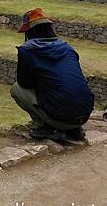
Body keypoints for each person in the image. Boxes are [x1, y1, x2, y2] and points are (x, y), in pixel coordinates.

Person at [11, 8, 94, 142]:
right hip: (84, 115)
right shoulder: (67, 48)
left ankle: (46, 127)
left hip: (61, 117)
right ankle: (73, 129)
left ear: (30, 31)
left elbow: (24, 82)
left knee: (16, 89)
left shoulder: (28, 51)